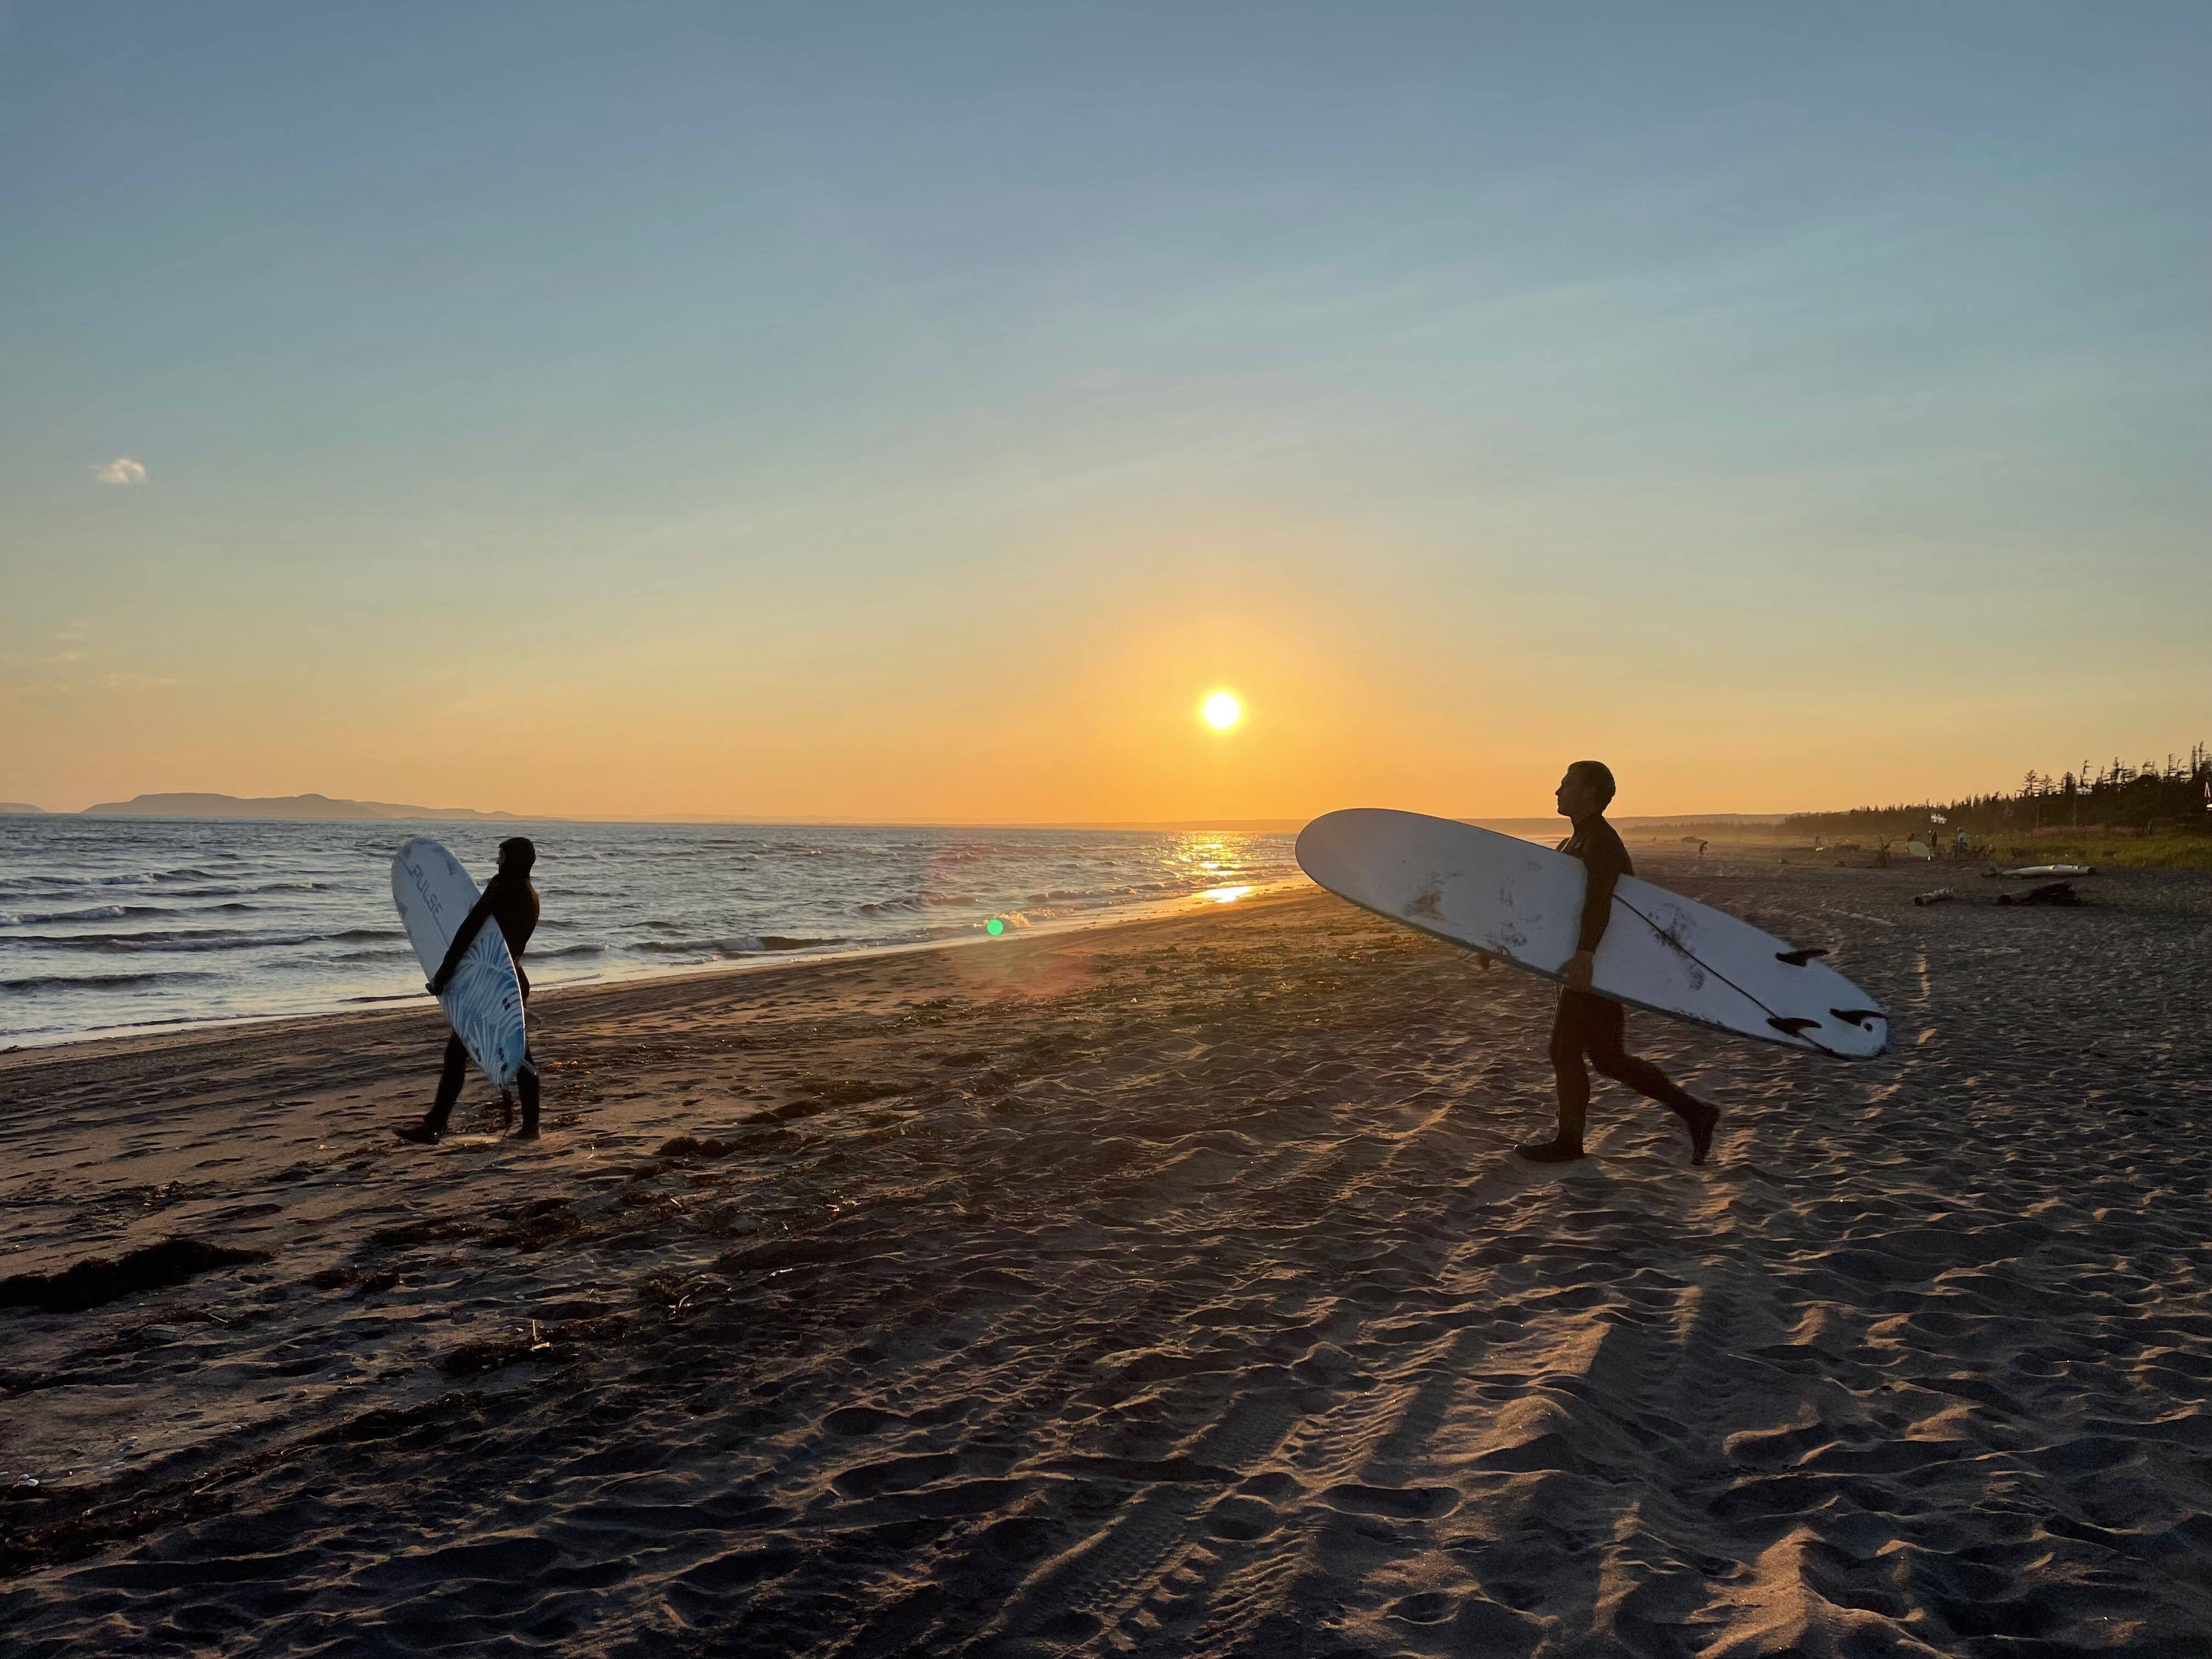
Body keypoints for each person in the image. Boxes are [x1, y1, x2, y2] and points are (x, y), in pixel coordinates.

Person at [1517, 762, 1719, 1166]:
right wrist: (1499, 942)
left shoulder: (1601, 843)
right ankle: (1696, 1113)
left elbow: (1600, 902)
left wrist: (1588, 955)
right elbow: (1554, 908)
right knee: (1609, 1059)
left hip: (1598, 964)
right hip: (1588, 960)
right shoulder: (1573, 841)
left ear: (1590, 792)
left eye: (1567, 784)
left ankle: (1569, 1142)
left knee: (1564, 1050)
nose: (1557, 791)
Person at [396, 837, 543, 1143]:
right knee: (516, 1053)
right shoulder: (530, 894)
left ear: (513, 860)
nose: (497, 862)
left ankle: (436, 1125)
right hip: (510, 982)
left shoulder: (503, 888)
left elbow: (468, 932)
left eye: (501, 856)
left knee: (473, 1054)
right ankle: (530, 1127)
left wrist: (443, 976)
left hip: (489, 986)